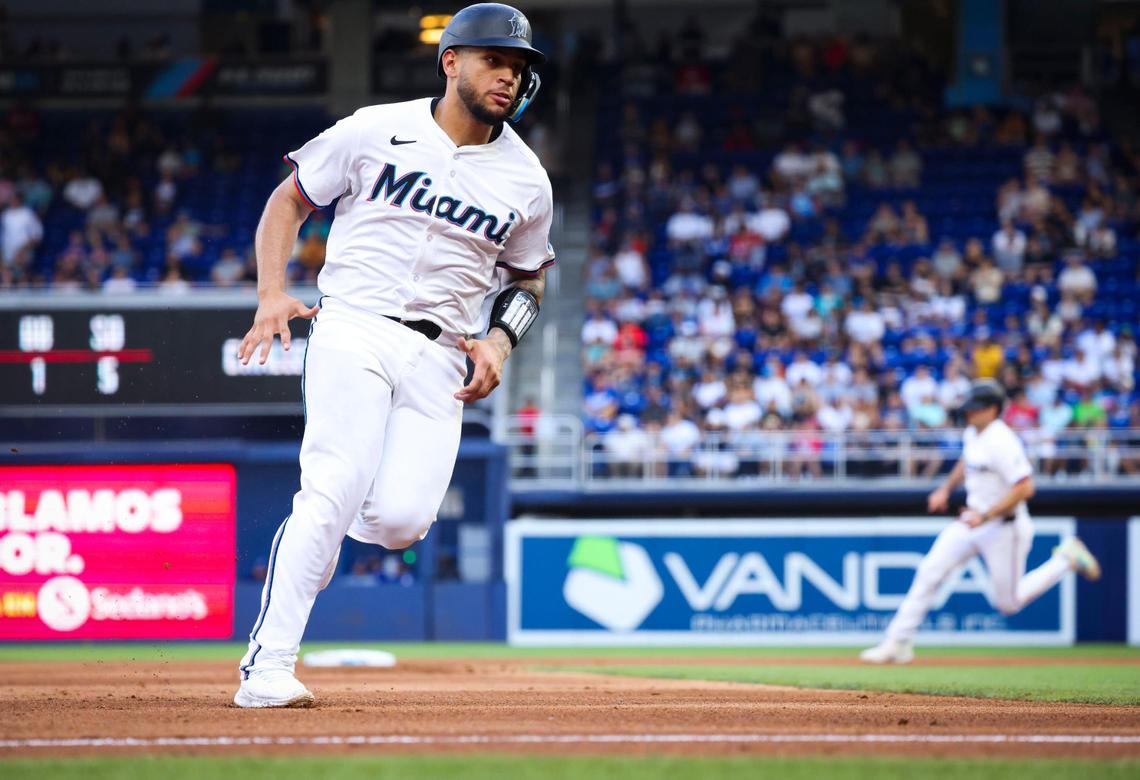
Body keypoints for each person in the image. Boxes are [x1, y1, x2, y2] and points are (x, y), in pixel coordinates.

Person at [233, 3, 553, 708]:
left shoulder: (528, 179)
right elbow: (289, 201)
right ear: (451, 61)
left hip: (442, 353)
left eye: (519, 66)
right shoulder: (376, 127)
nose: (508, 76)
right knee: (331, 488)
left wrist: (500, 340)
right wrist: (269, 293)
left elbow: (529, 278)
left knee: (402, 520)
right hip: (355, 324)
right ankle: (268, 667)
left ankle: (326, 517)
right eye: (494, 60)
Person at [860, 381, 1101, 664]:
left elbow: (1025, 488)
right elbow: (967, 461)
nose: (969, 413)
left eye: (975, 408)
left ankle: (1066, 560)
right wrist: (945, 489)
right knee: (929, 571)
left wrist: (985, 516)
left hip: (1003, 527)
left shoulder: (1002, 440)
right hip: (971, 520)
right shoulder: (973, 433)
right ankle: (897, 643)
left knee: (1008, 604)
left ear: (992, 409)